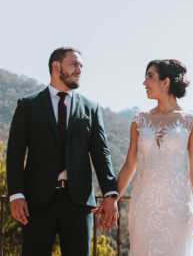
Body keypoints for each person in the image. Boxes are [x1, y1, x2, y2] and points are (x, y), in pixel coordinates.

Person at [7, 47, 119, 256]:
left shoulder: (91, 108)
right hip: (36, 202)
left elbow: (101, 153)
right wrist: (16, 194)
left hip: (78, 202)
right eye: (74, 64)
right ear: (56, 66)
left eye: (81, 66)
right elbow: (15, 154)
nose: (79, 70)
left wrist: (110, 194)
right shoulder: (28, 105)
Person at [114, 59, 193, 255]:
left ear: (166, 82)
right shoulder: (139, 120)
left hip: (178, 206)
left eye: (150, 77)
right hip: (143, 206)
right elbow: (130, 164)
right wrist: (113, 198)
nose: (144, 82)